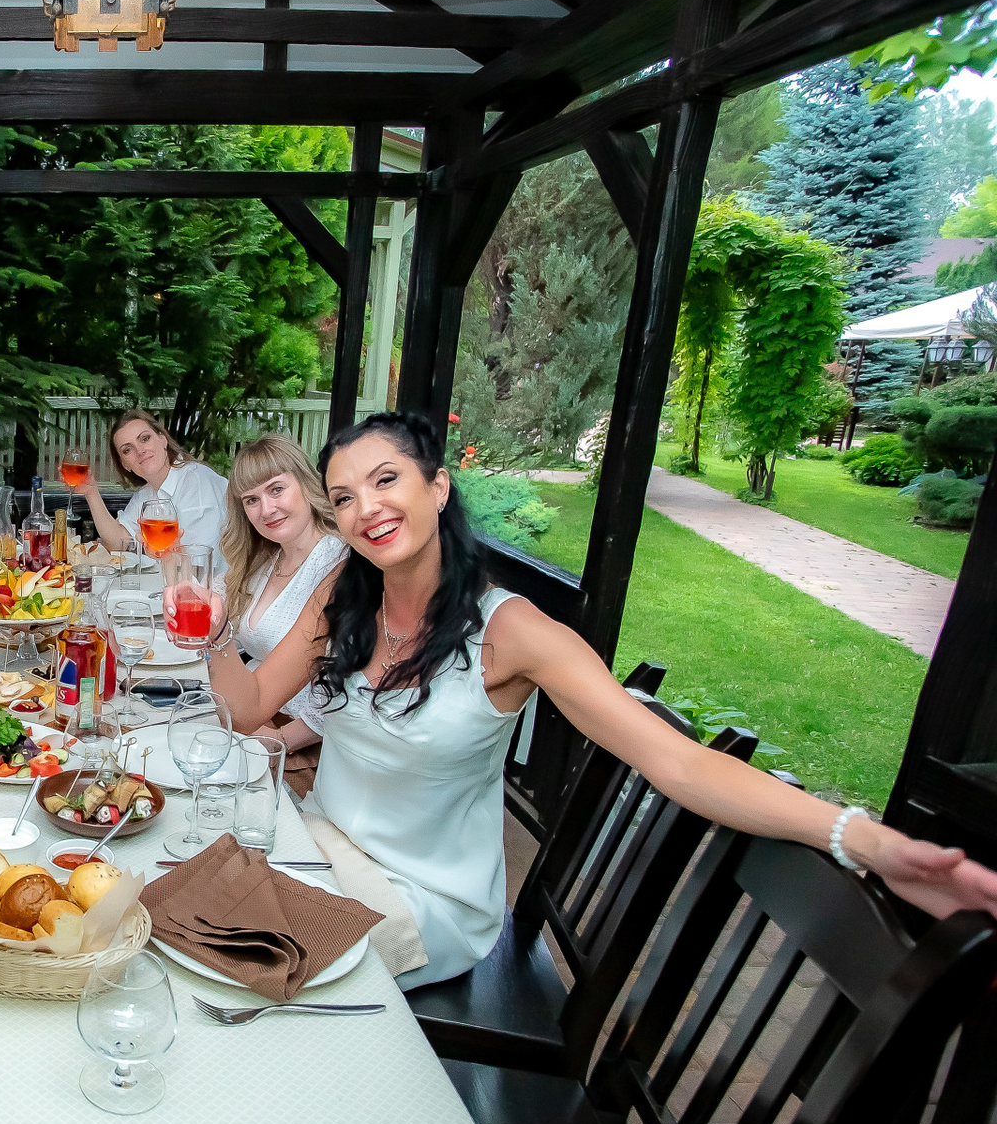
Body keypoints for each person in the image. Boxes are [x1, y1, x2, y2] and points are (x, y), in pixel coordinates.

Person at [197, 411, 997, 989]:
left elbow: (678, 762)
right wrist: (209, 630)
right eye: (344, 496)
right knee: (187, 905)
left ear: (437, 487)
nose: (366, 507)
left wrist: (864, 839)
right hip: (319, 847)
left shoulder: (512, 632)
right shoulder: (343, 596)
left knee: (231, 972)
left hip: (418, 899)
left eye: (386, 480)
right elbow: (247, 706)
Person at [220, 435, 346, 785]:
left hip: (304, 745)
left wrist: (280, 740)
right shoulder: (267, 558)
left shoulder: (338, 560)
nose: (266, 509)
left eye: (276, 489)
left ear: (305, 483)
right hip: (254, 716)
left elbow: (343, 683)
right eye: (252, 500)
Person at [71, 408, 231, 572]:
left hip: (217, 586)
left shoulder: (197, 482)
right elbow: (119, 542)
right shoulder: (147, 493)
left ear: (163, 440)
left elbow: (201, 568)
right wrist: (91, 492)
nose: (140, 451)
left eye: (145, 439)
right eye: (127, 450)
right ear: (125, 464)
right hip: (176, 582)